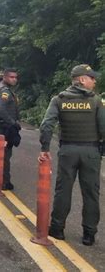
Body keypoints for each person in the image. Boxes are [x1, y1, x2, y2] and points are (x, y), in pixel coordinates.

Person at [38, 64, 105, 246]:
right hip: (91, 152)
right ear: (82, 79)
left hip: (67, 151)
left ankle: (57, 229)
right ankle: (89, 234)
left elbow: (46, 125)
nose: (94, 81)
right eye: (92, 78)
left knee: (63, 190)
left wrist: (45, 148)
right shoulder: (96, 101)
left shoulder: (59, 99)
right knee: (91, 193)